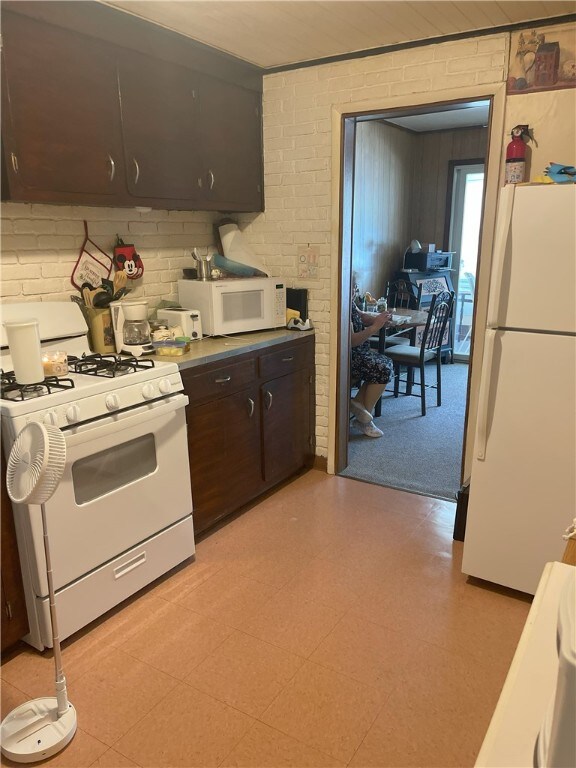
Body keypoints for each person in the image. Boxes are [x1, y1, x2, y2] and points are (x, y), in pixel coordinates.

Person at [350, 301, 393, 438]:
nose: (354, 289)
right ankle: (365, 420)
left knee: (386, 363)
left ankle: (360, 410)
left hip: (361, 352)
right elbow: (352, 341)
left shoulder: (350, 300)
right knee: (382, 369)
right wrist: (375, 327)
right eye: (353, 286)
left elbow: (362, 316)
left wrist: (379, 320)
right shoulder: (340, 301)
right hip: (350, 356)